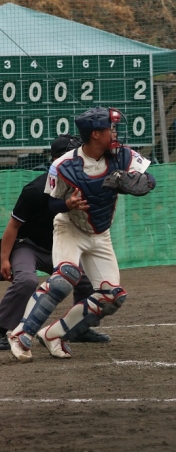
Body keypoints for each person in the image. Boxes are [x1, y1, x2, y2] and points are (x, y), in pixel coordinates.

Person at [7, 106, 156, 362]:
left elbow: (148, 176)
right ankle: (21, 333)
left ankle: (53, 334)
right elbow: (52, 204)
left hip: (100, 233)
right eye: (110, 128)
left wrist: (144, 183)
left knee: (112, 297)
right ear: (96, 134)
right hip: (70, 228)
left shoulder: (122, 155)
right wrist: (68, 204)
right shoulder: (63, 165)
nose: (115, 132)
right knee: (64, 278)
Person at [0, 135, 111, 351]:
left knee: (87, 279)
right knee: (27, 281)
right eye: (70, 156)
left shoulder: (84, 188)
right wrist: (4, 259)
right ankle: (2, 328)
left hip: (60, 247)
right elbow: (13, 226)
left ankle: (79, 329)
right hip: (28, 246)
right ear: (56, 160)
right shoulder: (36, 189)